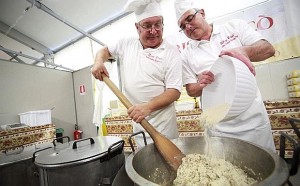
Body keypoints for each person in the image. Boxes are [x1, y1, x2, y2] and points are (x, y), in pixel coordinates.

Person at [174, 0, 276, 152]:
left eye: (190, 19)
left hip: (253, 121)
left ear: (202, 13)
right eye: (182, 26)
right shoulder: (186, 55)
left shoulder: (234, 27)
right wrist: (200, 84)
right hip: (220, 127)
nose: (188, 27)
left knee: (264, 165)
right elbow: (191, 90)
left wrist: (245, 51)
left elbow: (268, 49)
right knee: (228, 171)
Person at [92, 0, 182, 149]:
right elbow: (104, 51)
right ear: (137, 27)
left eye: (158, 24)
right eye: (147, 25)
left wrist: (148, 107)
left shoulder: (171, 52)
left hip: (165, 129)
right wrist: (98, 61)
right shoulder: (126, 44)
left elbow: (174, 92)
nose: (153, 31)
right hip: (140, 129)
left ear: (163, 24)